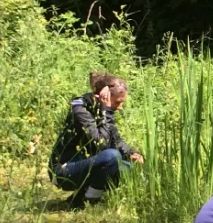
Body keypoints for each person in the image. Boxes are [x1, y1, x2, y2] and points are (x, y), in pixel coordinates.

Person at [50, 72, 143, 207]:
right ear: (102, 97)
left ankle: (82, 197)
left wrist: (133, 154)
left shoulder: (101, 110)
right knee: (112, 156)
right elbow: (102, 143)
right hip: (64, 169)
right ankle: (89, 200)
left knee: (129, 168)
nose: (120, 107)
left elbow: (116, 141)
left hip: (89, 163)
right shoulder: (81, 110)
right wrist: (106, 111)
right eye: (118, 102)